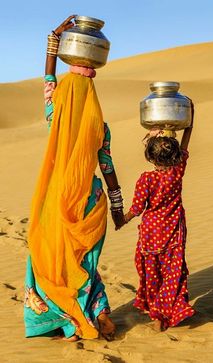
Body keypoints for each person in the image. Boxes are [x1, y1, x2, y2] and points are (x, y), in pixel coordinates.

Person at [24, 15, 125, 342]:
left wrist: (54, 38)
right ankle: (101, 313)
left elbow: (50, 79)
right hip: (91, 198)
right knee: (85, 264)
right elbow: (107, 167)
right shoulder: (99, 126)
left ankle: (69, 319)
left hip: (57, 197)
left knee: (49, 258)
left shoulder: (55, 112)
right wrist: (117, 206)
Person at [123, 107, 195, 331]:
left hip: (151, 236)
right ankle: (166, 313)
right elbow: (184, 144)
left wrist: (121, 219)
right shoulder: (177, 171)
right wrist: (190, 119)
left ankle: (156, 313)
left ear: (150, 157)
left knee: (153, 272)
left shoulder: (146, 179)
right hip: (173, 232)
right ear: (174, 155)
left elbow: (136, 208)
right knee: (173, 272)